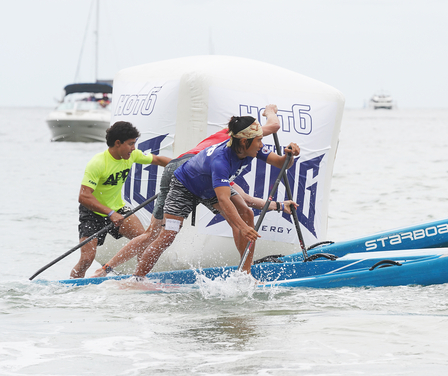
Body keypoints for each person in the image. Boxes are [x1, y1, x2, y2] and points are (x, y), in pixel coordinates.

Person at [92, 105, 296, 277]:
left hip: (208, 183)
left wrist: (290, 155)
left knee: (246, 211)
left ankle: (245, 275)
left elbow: (280, 161)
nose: (262, 143)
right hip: (184, 183)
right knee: (166, 235)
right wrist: (242, 227)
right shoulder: (222, 159)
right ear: (243, 141)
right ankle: (136, 279)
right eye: (259, 140)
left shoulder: (253, 142)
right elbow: (224, 200)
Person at [71, 121, 171, 278]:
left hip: (118, 208)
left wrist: (182, 167)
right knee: (86, 260)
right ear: (118, 143)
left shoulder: (132, 156)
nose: (134, 148)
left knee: (143, 240)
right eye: (131, 144)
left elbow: (158, 160)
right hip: (92, 212)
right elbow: (83, 196)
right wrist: (110, 213)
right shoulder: (98, 163)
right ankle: (73, 288)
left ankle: (139, 279)